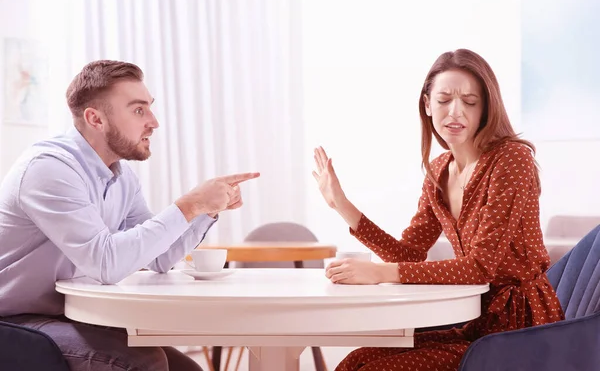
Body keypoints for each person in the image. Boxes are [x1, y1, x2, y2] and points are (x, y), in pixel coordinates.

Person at [312, 49, 564, 371]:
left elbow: (479, 268)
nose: (455, 112)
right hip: (475, 320)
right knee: (356, 361)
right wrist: (342, 206)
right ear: (427, 104)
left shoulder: (511, 159)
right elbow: (410, 253)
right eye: (444, 100)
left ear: (485, 108)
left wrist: (379, 274)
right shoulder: (439, 171)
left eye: (470, 102)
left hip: (520, 328)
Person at [0, 60, 260, 370]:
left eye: (150, 108)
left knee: (187, 368)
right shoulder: (50, 169)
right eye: (139, 110)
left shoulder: (121, 176)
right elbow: (106, 265)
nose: (154, 122)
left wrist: (205, 211)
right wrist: (189, 205)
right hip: (13, 321)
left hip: (68, 313)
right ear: (95, 118)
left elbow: (161, 259)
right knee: (143, 363)